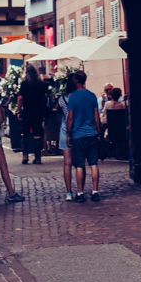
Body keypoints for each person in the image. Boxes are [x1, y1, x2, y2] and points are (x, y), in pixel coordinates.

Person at [65, 68, 102, 203]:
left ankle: (80, 193)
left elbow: (70, 117)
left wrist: (68, 134)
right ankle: (95, 192)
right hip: (91, 133)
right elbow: (96, 116)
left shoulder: (73, 97)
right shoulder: (92, 96)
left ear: (76, 81)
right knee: (93, 163)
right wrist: (98, 131)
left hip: (78, 135)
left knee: (79, 165)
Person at [17, 66, 47, 165]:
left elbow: (20, 98)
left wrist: (18, 110)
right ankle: (37, 157)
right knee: (37, 135)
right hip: (39, 112)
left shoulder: (25, 84)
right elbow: (47, 96)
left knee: (24, 133)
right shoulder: (41, 84)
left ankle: (25, 155)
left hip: (27, 111)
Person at [57, 71, 77, 200]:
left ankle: (69, 192)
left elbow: (60, 110)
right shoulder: (78, 98)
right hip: (78, 129)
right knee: (79, 162)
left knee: (67, 163)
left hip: (65, 129)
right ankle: (80, 190)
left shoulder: (62, 99)